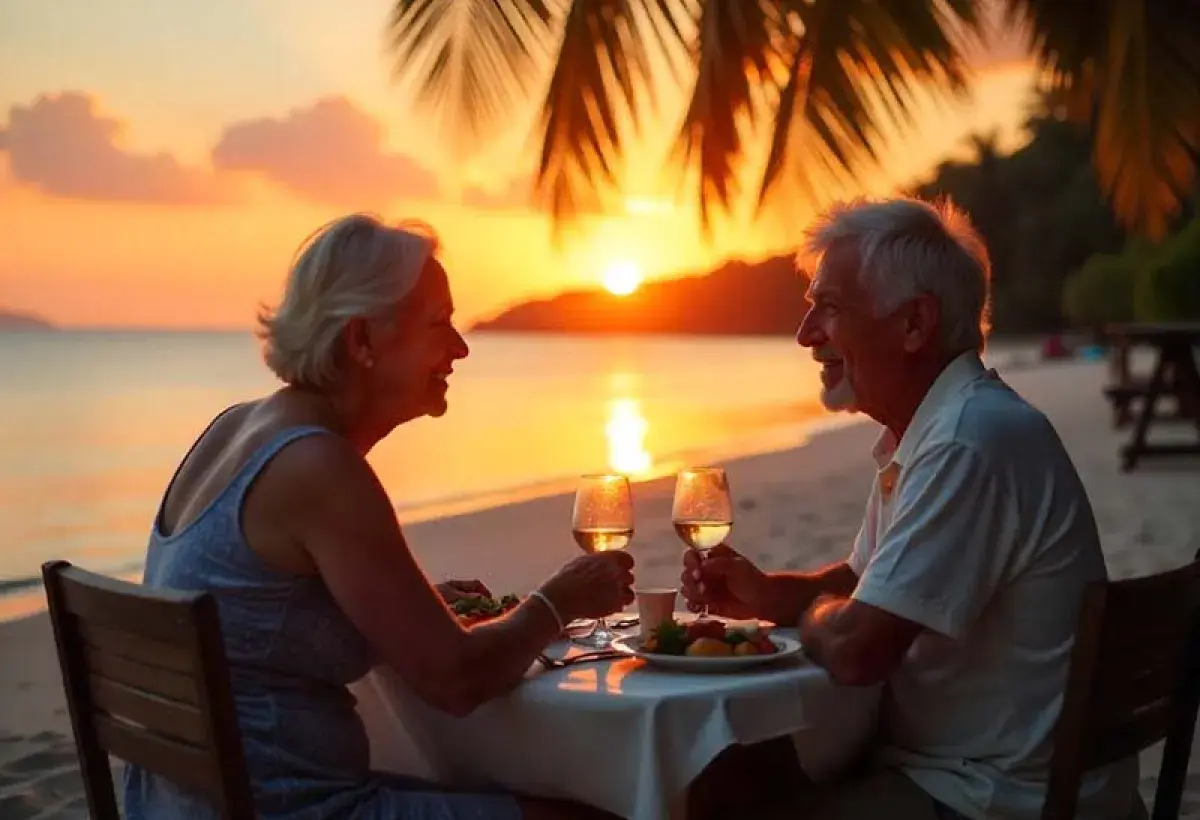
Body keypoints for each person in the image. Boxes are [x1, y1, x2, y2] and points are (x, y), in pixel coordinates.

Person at [123, 214, 633, 820]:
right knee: (608, 810)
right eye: (439, 324)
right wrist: (557, 602)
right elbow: (456, 682)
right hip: (293, 808)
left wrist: (403, 611)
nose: (461, 347)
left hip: (186, 804)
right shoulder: (316, 466)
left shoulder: (238, 426)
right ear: (361, 341)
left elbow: (258, 614)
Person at [680, 198, 1141, 819]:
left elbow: (857, 648)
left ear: (914, 324)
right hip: (986, 771)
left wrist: (817, 614)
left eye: (831, 308)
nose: (806, 333)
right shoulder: (934, 428)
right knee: (723, 774)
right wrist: (764, 591)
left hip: (997, 798)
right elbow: (857, 586)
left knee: (713, 794)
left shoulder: (967, 441)